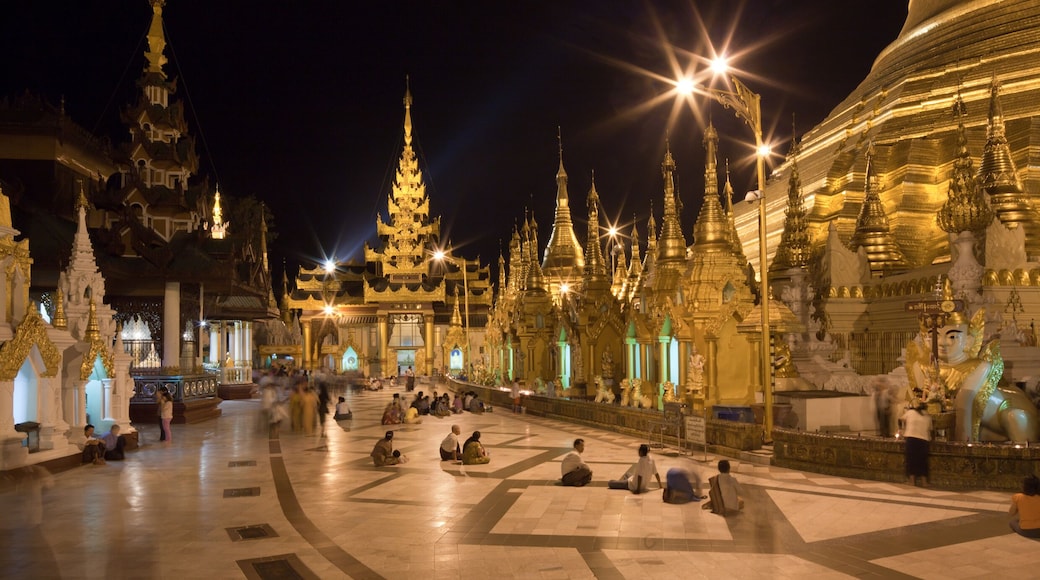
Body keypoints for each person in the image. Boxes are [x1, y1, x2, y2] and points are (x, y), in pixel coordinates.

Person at [900, 402, 932, 486]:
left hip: (911, 438)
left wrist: (902, 429)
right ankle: (924, 482)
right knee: (923, 461)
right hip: (924, 439)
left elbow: (901, 419)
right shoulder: (928, 416)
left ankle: (912, 481)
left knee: (911, 460)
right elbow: (930, 429)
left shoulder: (911, 412)